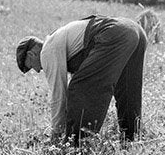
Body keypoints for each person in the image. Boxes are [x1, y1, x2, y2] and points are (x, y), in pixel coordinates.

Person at [17, 15, 147, 144]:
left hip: (114, 33)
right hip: (134, 30)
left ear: (31, 54)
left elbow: (59, 94)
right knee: (128, 89)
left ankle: (77, 145)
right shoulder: (60, 38)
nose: (37, 70)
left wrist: (56, 132)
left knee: (79, 89)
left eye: (31, 66)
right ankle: (132, 140)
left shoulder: (47, 51)